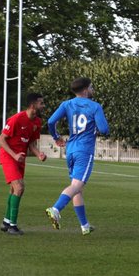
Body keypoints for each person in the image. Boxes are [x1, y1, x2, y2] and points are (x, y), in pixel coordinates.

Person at [45, 77, 109, 234]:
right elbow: (104, 129)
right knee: (76, 186)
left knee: (77, 188)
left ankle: (85, 226)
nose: (93, 89)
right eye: (92, 87)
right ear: (86, 90)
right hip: (84, 151)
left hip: (71, 149)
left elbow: (51, 122)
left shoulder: (66, 104)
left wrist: (56, 137)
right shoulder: (95, 106)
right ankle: (55, 209)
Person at [0, 92, 48, 235]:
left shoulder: (37, 122)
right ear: (33, 105)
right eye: (41, 103)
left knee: (15, 189)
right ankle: (12, 226)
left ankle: (6, 222)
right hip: (9, 156)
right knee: (19, 187)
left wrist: (39, 154)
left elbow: (31, 143)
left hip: (20, 157)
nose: (43, 106)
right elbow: (1, 140)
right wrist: (14, 155)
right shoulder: (16, 119)